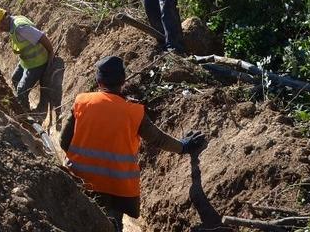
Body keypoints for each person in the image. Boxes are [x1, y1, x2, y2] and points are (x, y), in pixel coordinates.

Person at [60, 56, 206, 231]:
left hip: (80, 180)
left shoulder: (82, 102)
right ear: (122, 81)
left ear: (98, 80)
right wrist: (183, 146)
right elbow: (158, 139)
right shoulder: (134, 112)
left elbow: (63, 141)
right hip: (116, 189)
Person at [0, 8, 54, 110]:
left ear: (5, 18)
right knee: (15, 78)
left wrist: (51, 52)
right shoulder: (9, 22)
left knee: (21, 89)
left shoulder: (20, 28)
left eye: (1, 25)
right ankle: (22, 102)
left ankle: (26, 112)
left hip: (37, 62)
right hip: (26, 61)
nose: (1, 28)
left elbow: (41, 36)